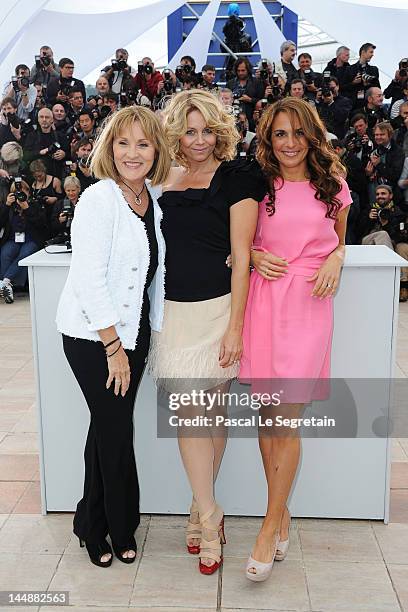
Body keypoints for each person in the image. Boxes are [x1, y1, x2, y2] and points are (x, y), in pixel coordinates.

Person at [148, 90, 267, 576]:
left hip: (219, 311)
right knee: (192, 418)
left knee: (210, 416)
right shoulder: (160, 178)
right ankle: (210, 511)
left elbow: (242, 256)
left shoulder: (238, 176)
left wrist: (236, 327)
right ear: (176, 132)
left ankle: (202, 510)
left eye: (207, 130)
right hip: (171, 313)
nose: (199, 141)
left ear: (220, 130)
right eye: (189, 131)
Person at [239, 97, 352, 581]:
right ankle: (281, 513)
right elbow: (238, 244)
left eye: (297, 133)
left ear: (312, 135)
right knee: (267, 417)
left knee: (285, 418)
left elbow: (342, 241)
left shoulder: (335, 187)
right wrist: (251, 258)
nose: (289, 143)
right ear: (269, 138)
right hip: (263, 303)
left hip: (308, 302)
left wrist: (337, 259)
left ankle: (268, 526)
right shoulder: (259, 185)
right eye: (279, 134)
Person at [55, 106, 171, 567]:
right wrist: (112, 348)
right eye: (123, 142)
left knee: (104, 428)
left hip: (133, 334)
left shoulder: (152, 199)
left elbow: (153, 273)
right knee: (117, 431)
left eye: (143, 143)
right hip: (93, 337)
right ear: (109, 147)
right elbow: (88, 279)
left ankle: (89, 519)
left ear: (156, 149)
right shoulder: (99, 199)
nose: (132, 152)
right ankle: (117, 529)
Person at [0, 178, 48, 303]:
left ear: (28, 192)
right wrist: (6, 205)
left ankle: (5, 283)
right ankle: (9, 287)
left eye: (23, 191)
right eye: (16, 192)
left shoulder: (35, 204)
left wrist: (27, 208)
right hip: (13, 239)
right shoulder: (10, 206)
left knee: (25, 254)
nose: (20, 195)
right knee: (6, 252)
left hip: (31, 239)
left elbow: (41, 224)